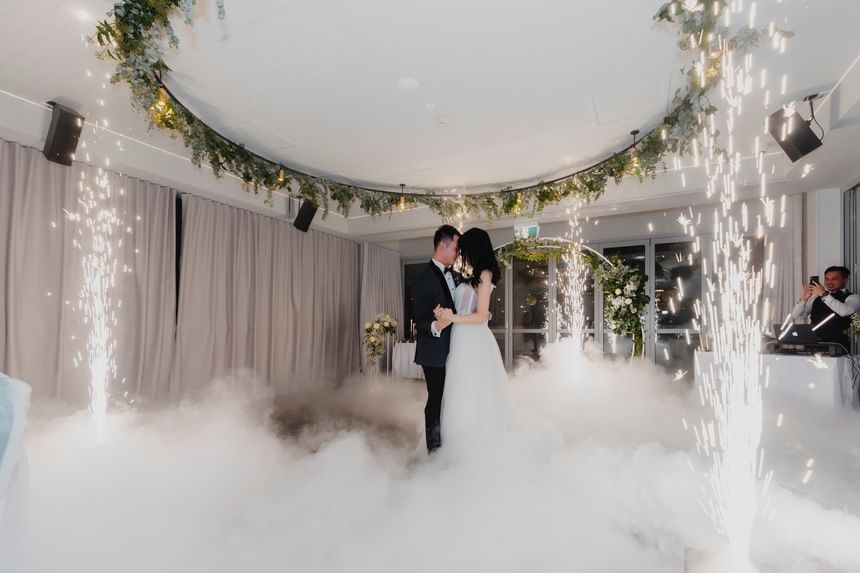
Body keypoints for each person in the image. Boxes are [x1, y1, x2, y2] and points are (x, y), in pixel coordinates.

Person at [435, 228, 509, 458]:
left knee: (468, 391)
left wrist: (452, 318)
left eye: (465, 249)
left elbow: (480, 316)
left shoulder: (485, 274)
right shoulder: (475, 274)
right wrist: (447, 314)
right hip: (461, 337)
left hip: (473, 340)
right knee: (457, 390)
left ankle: (467, 445)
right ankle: (454, 440)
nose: (462, 254)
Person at [412, 225, 461, 453]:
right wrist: (437, 324)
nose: (457, 254)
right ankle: (434, 451)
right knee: (436, 400)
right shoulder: (423, 277)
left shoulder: (455, 276)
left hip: (455, 349)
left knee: (451, 398)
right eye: (456, 248)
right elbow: (419, 318)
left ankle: (449, 443)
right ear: (443, 245)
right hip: (433, 352)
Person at [792, 265, 860, 350]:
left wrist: (824, 294)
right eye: (827, 279)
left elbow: (845, 311)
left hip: (837, 346)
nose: (829, 282)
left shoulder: (853, 297)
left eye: (834, 279)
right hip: (813, 344)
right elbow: (797, 315)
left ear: (845, 280)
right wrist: (803, 300)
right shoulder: (817, 298)